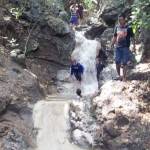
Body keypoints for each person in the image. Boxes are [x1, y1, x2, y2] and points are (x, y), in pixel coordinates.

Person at [111, 13, 135, 81]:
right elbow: (115, 36)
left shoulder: (129, 28)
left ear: (125, 20)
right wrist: (112, 44)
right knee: (117, 61)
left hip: (125, 47)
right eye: (119, 20)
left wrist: (134, 46)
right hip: (117, 47)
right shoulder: (117, 27)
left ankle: (124, 77)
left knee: (125, 62)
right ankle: (119, 76)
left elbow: (133, 37)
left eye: (121, 20)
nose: (120, 21)